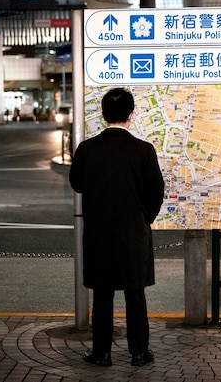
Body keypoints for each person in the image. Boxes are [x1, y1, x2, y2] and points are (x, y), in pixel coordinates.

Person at [69, 87, 165, 368]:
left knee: (102, 294)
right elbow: (156, 191)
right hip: (133, 234)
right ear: (131, 115)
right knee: (135, 293)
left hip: (98, 233)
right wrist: (143, 218)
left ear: (103, 115)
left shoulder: (87, 149)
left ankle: (102, 353)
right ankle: (138, 353)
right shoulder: (143, 150)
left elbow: (77, 183)